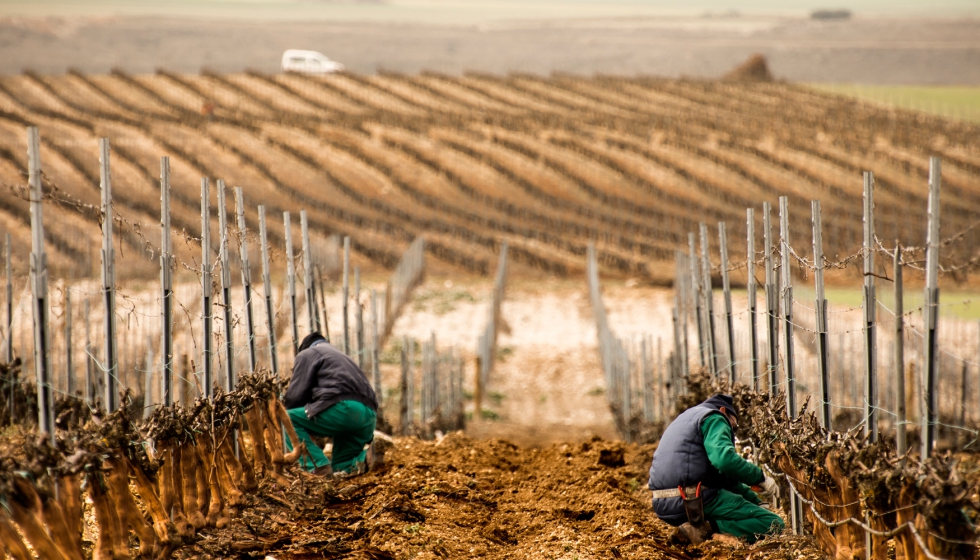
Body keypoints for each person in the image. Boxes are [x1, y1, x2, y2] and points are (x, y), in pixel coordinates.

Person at [648, 394, 784, 544]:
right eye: (733, 425)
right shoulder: (715, 418)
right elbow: (724, 461)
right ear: (723, 410)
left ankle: (695, 529)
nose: (731, 429)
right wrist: (760, 477)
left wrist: (755, 502)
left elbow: (723, 479)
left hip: (662, 504)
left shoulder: (686, 419)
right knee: (774, 524)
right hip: (693, 500)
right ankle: (704, 529)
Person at [283, 332, 378, 476]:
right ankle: (366, 459)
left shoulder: (308, 353)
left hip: (343, 410)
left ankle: (316, 466)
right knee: (342, 467)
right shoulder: (341, 356)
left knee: (285, 419)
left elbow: (295, 397)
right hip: (367, 415)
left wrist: (292, 418)